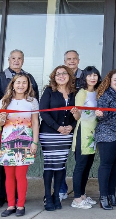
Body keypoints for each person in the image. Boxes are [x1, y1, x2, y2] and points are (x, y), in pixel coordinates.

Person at [0, 49, 39, 210]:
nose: (21, 85)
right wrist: (0, 122)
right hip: (7, 141)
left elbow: (35, 121)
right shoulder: (3, 96)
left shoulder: (32, 100)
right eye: (13, 58)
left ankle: (20, 204)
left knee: (20, 175)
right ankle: (7, 202)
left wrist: (34, 142)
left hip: (25, 141)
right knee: (7, 175)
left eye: (24, 83)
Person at [39, 66, 78, 212]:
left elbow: (77, 114)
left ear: (69, 75)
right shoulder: (49, 91)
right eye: (58, 74)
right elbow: (43, 112)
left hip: (66, 134)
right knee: (50, 165)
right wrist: (58, 127)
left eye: (64, 73)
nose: (61, 76)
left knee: (61, 165)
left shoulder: (74, 93)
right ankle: (48, 197)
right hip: (50, 133)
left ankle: (56, 196)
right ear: (54, 77)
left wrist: (71, 127)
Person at [95, 69, 116, 210]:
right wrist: (100, 115)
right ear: (110, 80)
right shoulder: (105, 95)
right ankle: (103, 197)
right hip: (107, 135)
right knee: (106, 165)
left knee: (115, 166)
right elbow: (101, 114)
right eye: (115, 79)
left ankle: (111, 195)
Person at [69, 67, 101, 210]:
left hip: (94, 132)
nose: (93, 78)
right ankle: (76, 198)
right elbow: (77, 116)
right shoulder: (82, 93)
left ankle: (82, 194)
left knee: (88, 165)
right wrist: (76, 113)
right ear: (85, 78)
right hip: (83, 131)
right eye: (89, 76)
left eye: (95, 75)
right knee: (81, 165)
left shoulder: (97, 93)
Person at [61, 49, 84, 200]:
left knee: (80, 162)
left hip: (81, 125)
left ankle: (80, 191)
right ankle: (61, 189)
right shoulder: (60, 75)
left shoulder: (85, 77)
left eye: (74, 58)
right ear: (65, 61)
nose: (71, 61)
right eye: (68, 59)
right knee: (61, 161)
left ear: (78, 60)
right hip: (62, 125)